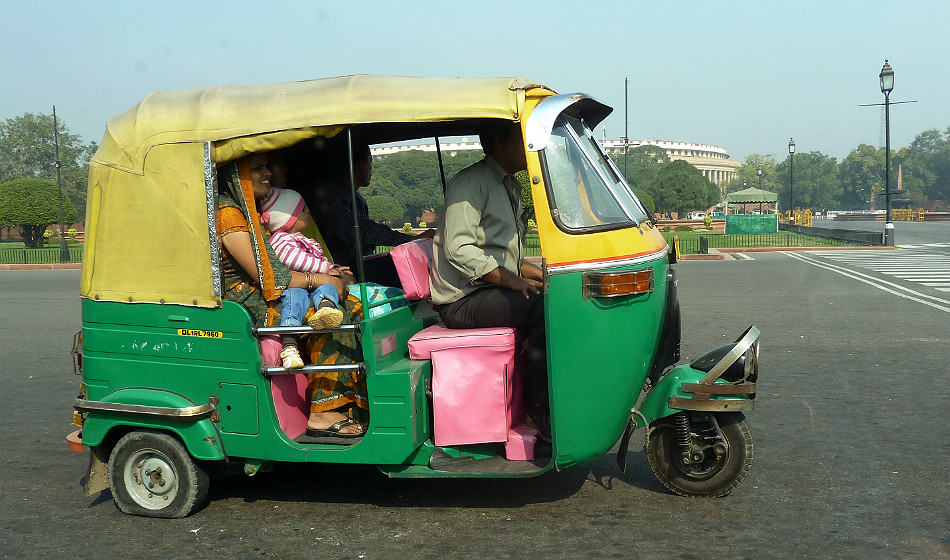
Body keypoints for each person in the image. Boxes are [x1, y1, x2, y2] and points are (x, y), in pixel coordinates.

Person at [216, 152, 365, 437]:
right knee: (329, 316)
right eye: (257, 168)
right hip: (250, 301)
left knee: (353, 304)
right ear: (235, 175)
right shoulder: (229, 214)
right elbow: (269, 278)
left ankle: (351, 401)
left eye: (266, 166)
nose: (267, 173)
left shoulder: (249, 210)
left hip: (272, 292)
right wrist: (321, 278)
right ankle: (323, 411)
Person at [428, 120, 550, 438]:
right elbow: (459, 247)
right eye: (521, 139)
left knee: (555, 294)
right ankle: (542, 408)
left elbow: (504, 257)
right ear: (499, 141)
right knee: (540, 306)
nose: (529, 146)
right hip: (461, 300)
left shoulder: (509, 186)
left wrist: (543, 275)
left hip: (488, 291)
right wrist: (514, 281)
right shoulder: (471, 183)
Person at [305, 137, 434, 287]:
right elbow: (355, 230)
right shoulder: (324, 195)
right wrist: (407, 240)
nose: (371, 169)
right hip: (339, 267)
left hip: (361, 261)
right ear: (361, 164)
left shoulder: (358, 199)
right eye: (370, 162)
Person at [260, 185, 354, 370]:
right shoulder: (281, 239)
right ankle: (289, 346)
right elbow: (295, 260)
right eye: (303, 210)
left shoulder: (303, 239)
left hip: (314, 285)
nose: (308, 212)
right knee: (293, 300)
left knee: (327, 288)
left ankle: (326, 309)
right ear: (289, 218)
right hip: (297, 286)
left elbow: (317, 260)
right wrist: (327, 269)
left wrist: (335, 271)